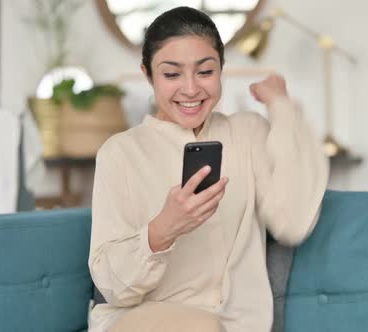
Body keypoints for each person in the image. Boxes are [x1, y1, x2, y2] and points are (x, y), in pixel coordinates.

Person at [88, 6, 328, 332]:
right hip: (142, 321)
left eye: (205, 72)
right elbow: (112, 286)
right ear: (148, 75)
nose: (190, 89)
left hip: (236, 324)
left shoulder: (246, 133)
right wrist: (163, 228)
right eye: (171, 74)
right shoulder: (120, 153)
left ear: (221, 69)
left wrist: (281, 106)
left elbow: (293, 221)